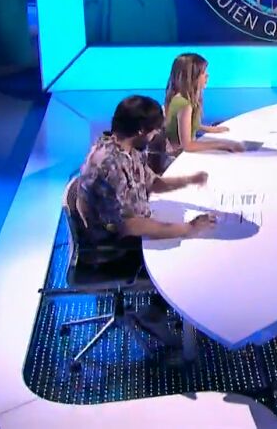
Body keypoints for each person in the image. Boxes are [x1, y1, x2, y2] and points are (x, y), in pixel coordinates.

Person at [76, 95, 215, 346]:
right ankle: (155, 314)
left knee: (185, 232)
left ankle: (162, 309)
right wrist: (187, 228)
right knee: (192, 251)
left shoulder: (126, 148)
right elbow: (130, 225)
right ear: (141, 130)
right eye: (154, 131)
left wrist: (189, 180)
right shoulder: (110, 165)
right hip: (112, 247)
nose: (155, 135)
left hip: (130, 223)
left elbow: (151, 182)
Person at [164, 53, 244, 153]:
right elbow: (188, 146)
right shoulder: (184, 105)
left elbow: (184, 124)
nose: (207, 75)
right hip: (178, 156)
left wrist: (209, 129)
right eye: (203, 72)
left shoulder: (180, 98)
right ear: (191, 77)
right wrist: (224, 144)